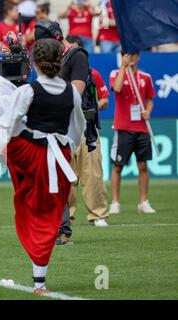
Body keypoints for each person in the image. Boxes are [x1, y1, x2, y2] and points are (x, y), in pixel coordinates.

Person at [0, 27, 85, 294]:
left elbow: (5, 127)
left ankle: (39, 279)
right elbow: (77, 128)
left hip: (30, 155)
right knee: (50, 216)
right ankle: (39, 280)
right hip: (58, 156)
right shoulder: (71, 93)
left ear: (36, 64)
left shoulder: (28, 92)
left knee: (32, 213)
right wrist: (67, 150)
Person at [34, 19, 94, 245]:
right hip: (50, 126)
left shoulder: (77, 56)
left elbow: (76, 94)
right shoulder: (51, 60)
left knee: (59, 179)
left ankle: (63, 230)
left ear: (58, 37)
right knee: (50, 179)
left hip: (70, 127)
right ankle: (59, 229)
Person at [64, 34, 109, 227]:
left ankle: (97, 215)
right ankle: (67, 216)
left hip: (87, 130)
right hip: (65, 129)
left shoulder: (94, 74)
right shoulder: (61, 72)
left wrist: (91, 108)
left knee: (93, 174)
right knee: (65, 175)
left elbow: (105, 100)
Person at [109, 53, 156, 214]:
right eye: (128, 54)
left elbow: (150, 99)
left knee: (143, 165)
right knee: (118, 166)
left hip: (142, 127)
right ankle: (115, 202)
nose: (132, 57)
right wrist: (123, 66)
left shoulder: (146, 76)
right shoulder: (115, 73)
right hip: (123, 127)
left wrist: (148, 112)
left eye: (134, 54)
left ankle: (143, 201)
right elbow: (117, 88)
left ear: (139, 56)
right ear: (122, 56)